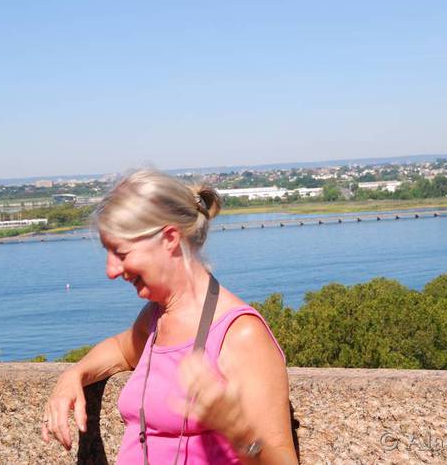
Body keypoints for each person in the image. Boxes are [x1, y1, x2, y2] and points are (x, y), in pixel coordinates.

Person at [41, 169, 298, 464]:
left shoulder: (241, 333)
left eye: (121, 253)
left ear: (169, 238)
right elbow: (121, 350)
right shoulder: (156, 317)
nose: (110, 271)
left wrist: (237, 431)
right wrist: (73, 375)